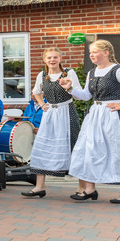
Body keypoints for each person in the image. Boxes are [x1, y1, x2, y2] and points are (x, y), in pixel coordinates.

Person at [67, 39, 120, 201]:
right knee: (89, 149)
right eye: (90, 52)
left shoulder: (117, 71)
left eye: (95, 52)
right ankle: (90, 189)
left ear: (106, 53)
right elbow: (86, 96)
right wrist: (70, 89)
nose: (91, 55)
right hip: (95, 115)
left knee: (117, 150)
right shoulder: (92, 73)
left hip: (113, 115)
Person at [23, 48, 80, 198]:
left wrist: (70, 87)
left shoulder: (69, 73)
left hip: (66, 112)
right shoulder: (42, 75)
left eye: (55, 57)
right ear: (44, 60)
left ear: (60, 58)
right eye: (49, 57)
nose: (52, 60)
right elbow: (36, 92)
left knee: (74, 146)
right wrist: (42, 104)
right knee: (43, 147)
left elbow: (78, 93)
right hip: (50, 114)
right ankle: (39, 187)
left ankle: (83, 187)